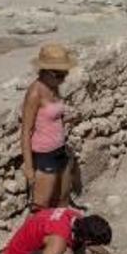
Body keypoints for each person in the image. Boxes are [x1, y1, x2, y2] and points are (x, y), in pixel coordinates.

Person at [20, 43, 81, 212]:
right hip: (44, 154)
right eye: (60, 74)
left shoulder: (54, 87)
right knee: (41, 207)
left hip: (60, 149)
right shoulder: (35, 93)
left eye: (65, 73)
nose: (64, 78)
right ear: (46, 71)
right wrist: (29, 168)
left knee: (63, 200)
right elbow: (26, 131)